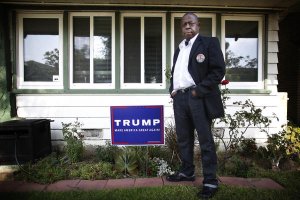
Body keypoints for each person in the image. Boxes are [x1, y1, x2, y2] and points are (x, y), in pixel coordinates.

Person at [166, 12, 225, 199]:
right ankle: (187, 172)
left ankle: (210, 181)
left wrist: (198, 91)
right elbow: (177, 72)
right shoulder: (180, 48)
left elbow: (218, 71)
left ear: (198, 25)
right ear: (181, 28)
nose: (188, 27)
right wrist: (172, 90)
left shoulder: (209, 43)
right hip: (180, 99)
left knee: (205, 140)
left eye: (191, 23)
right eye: (184, 24)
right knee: (184, 138)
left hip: (198, 97)